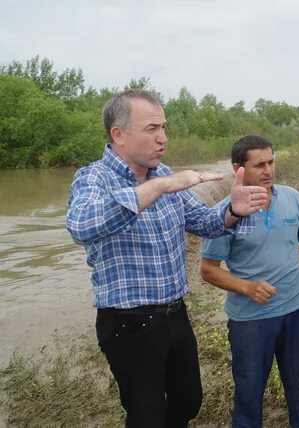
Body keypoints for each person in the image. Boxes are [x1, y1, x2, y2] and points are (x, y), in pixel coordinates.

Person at [66, 89, 268, 428]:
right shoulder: (94, 177)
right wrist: (159, 188)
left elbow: (203, 222)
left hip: (175, 313)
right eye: (151, 129)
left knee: (188, 401)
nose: (163, 138)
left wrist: (233, 209)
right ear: (119, 134)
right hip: (128, 322)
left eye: (164, 127)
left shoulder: (163, 174)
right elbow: (82, 226)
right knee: (146, 416)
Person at [200, 135, 299, 428]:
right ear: (238, 168)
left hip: (296, 311)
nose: (268, 170)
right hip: (250, 321)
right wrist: (246, 287)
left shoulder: (291, 197)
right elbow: (208, 270)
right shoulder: (226, 213)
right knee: (249, 396)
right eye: (259, 164)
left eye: (271, 162)